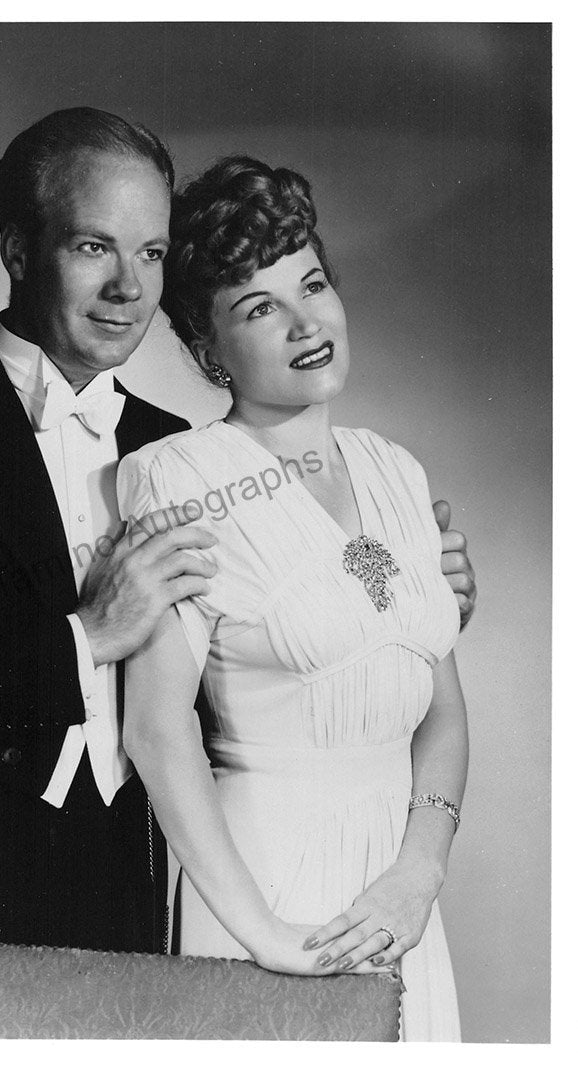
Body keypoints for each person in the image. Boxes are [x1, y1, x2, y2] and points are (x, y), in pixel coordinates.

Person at [0, 111, 476, 1038]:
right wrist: (86, 635)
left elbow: (249, 677)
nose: (128, 287)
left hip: (123, 889)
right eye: (93, 247)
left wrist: (404, 600)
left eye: (151, 254)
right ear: (17, 248)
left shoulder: (177, 450)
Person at [118, 157, 470, 1040]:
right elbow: (155, 731)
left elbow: (442, 708)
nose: (306, 323)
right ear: (208, 352)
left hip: (400, 892)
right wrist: (265, 936)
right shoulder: (178, 477)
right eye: (259, 308)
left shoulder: (395, 468)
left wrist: (420, 871)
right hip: (271, 888)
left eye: (312, 285)